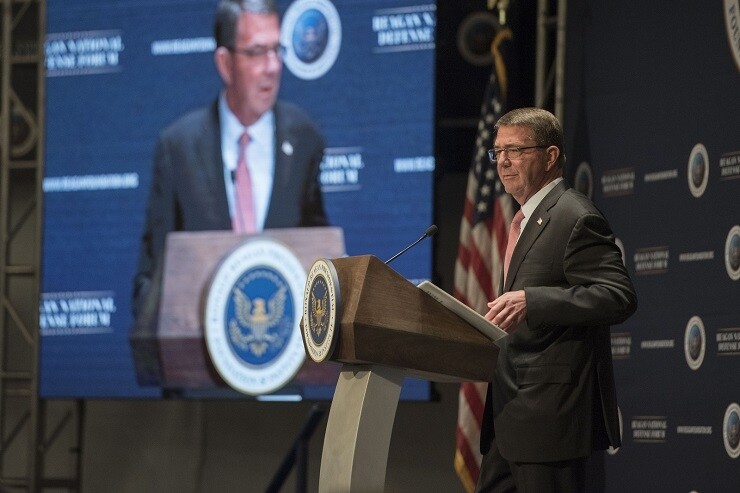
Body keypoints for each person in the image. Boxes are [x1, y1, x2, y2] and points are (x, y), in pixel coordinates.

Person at [132, 0, 328, 318]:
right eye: (256, 52)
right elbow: (152, 278)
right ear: (225, 64)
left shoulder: (304, 139)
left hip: (284, 349)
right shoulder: (178, 148)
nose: (273, 66)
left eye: (277, 50)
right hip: (197, 355)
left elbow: (318, 253)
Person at [476, 108, 637, 492]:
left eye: (515, 150)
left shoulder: (574, 216)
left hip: (550, 420)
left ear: (550, 156)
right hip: (509, 413)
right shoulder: (525, 218)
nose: (503, 162)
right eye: (497, 152)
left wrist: (534, 301)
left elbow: (618, 296)